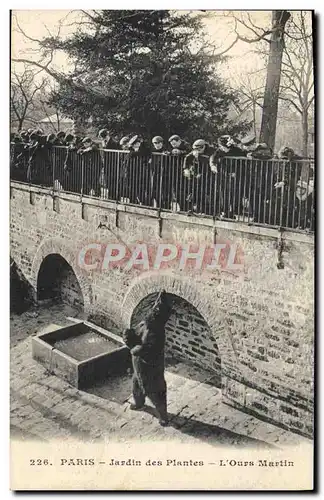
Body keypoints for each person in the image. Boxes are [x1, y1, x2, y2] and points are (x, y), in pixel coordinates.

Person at [122, 290, 173, 426]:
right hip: (139, 367)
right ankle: (139, 404)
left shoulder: (157, 334)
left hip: (151, 370)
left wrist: (131, 344)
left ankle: (163, 417)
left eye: (157, 312)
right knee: (136, 386)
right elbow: (136, 332)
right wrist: (129, 334)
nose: (154, 313)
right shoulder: (146, 323)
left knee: (157, 394)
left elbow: (144, 351)